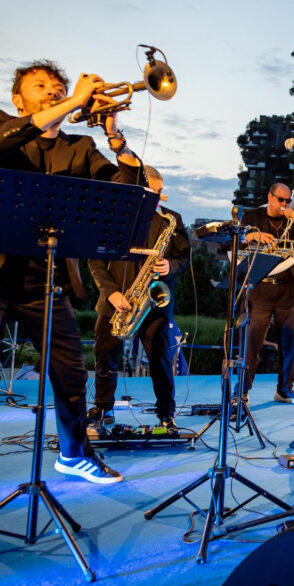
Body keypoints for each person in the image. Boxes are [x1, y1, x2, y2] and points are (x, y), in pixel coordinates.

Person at [0, 61, 137, 543]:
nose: (54, 92)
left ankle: (74, 454)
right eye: (41, 87)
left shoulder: (80, 148)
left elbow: (124, 195)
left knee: (70, 371)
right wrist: (70, 102)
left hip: (43, 278)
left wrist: (115, 136)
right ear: (20, 100)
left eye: (60, 88)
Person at [88, 166, 190, 429]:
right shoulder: (111, 217)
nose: (160, 196)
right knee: (105, 360)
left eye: (161, 191)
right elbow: (95, 260)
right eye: (154, 191)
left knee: (161, 362)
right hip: (116, 302)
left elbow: (184, 258)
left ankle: (166, 414)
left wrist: (171, 265)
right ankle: (103, 409)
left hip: (154, 304)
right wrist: (111, 293)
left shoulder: (172, 220)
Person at [238, 183, 294, 404]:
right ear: (269, 197)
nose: (285, 205)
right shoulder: (252, 216)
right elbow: (236, 242)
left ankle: (285, 389)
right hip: (260, 288)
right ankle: (242, 390)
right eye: (280, 200)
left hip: (288, 290)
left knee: (290, 344)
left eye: (288, 201)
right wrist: (253, 236)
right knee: (252, 343)